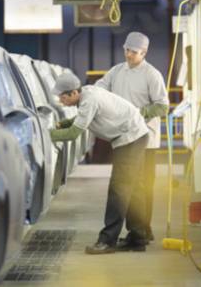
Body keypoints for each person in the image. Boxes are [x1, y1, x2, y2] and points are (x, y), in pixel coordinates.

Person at [50, 72, 149, 254]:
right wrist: (61, 125)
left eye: (62, 96)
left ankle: (107, 241)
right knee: (133, 189)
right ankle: (138, 238)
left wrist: (46, 135)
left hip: (131, 138)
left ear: (73, 93)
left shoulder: (90, 99)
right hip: (135, 135)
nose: (60, 100)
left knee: (118, 190)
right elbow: (82, 118)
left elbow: (73, 133)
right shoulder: (86, 94)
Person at [95, 32, 169, 244]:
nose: (128, 54)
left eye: (133, 52)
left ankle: (143, 230)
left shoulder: (151, 75)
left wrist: (137, 113)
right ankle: (140, 232)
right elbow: (101, 87)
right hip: (124, 138)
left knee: (143, 186)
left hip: (146, 139)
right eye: (126, 50)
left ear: (144, 53)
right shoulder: (116, 71)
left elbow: (163, 106)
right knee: (133, 186)